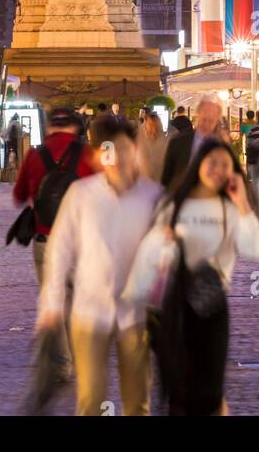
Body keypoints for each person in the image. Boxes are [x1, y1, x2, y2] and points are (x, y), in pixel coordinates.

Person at [127, 139, 259, 415]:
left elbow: (253, 249)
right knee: (179, 391)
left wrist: (242, 204)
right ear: (198, 163)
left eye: (225, 164)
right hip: (173, 307)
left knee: (210, 391)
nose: (217, 169)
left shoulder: (230, 209)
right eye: (212, 161)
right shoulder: (174, 203)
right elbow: (148, 252)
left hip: (211, 307)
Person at [37, 115, 161, 416]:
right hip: (89, 311)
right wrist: (51, 303)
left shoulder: (153, 196)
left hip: (136, 313)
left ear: (135, 151)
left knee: (138, 402)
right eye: (107, 149)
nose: (116, 157)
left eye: (123, 148)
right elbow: (59, 249)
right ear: (96, 155)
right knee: (90, 400)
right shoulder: (81, 195)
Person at [13, 106, 96, 377]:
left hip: (46, 240)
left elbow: (18, 195)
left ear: (49, 127)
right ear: (75, 127)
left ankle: (64, 363)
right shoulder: (87, 154)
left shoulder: (35, 155)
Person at [161, 97, 224, 189]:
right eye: (204, 119)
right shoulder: (177, 143)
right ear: (197, 116)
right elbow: (166, 177)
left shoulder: (221, 146)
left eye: (210, 121)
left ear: (217, 121)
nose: (206, 124)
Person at [136, 111, 169, 184]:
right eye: (151, 126)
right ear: (145, 126)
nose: (154, 130)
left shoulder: (167, 143)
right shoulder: (136, 143)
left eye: (157, 127)